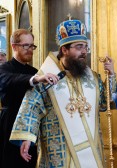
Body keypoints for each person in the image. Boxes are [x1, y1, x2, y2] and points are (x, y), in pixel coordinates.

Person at [9, 19, 117, 167]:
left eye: (86, 47)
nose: (84, 51)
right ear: (64, 50)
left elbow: (106, 103)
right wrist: (27, 137)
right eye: (79, 47)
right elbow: (32, 107)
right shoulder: (46, 77)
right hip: (60, 150)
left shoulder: (92, 78)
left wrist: (111, 75)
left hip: (91, 151)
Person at [0, 29, 58, 167]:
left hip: (32, 129)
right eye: (26, 46)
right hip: (9, 125)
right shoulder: (4, 69)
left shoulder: (35, 72)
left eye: (32, 46)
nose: (30, 49)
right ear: (14, 46)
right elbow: (10, 80)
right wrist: (36, 79)